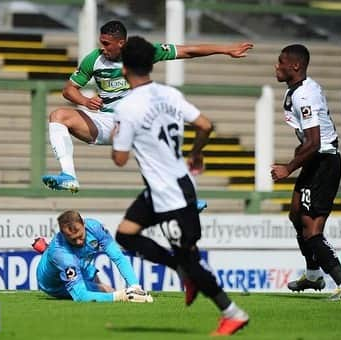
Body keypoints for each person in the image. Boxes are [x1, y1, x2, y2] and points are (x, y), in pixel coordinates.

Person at [111, 36, 249, 336]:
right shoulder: (169, 94)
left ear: (124, 68)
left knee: (190, 258)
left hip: (169, 194)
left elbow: (119, 159)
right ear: (150, 64)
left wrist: (119, 137)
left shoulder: (128, 107)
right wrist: (196, 151)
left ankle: (232, 312)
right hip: (169, 185)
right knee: (125, 234)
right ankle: (182, 271)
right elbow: (205, 125)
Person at [42, 20, 253, 193]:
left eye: (107, 43)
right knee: (59, 115)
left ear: (122, 43)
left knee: (159, 141)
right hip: (106, 122)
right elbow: (69, 89)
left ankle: (184, 195)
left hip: (135, 119)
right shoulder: (94, 59)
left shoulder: (140, 53)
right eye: (102, 42)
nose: (103, 48)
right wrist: (85, 101)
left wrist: (226, 50)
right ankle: (69, 176)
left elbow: (187, 51)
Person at [272, 44, 341, 301]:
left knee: (311, 230)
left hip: (324, 162)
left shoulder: (304, 96)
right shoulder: (301, 89)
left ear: (295, 66)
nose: (276, 66)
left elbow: (313, 142)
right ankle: (313, 275)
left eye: (281, 62)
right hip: (315, 161)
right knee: (296, 214)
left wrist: (288, 167)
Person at [34, 210, 153, 303]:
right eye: (73, 239)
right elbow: (81, 296)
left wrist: (135, 286)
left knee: (100, 284)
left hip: (80, 262)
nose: (79, 242)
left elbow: (118, 257)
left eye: (80, 236)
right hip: (55, 284)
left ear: (84, 224)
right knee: (106, 291)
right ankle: (49, 253)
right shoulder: (62, 254)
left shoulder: (94, 228)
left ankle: (47, 251)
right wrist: (122, 296)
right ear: (63, 235)